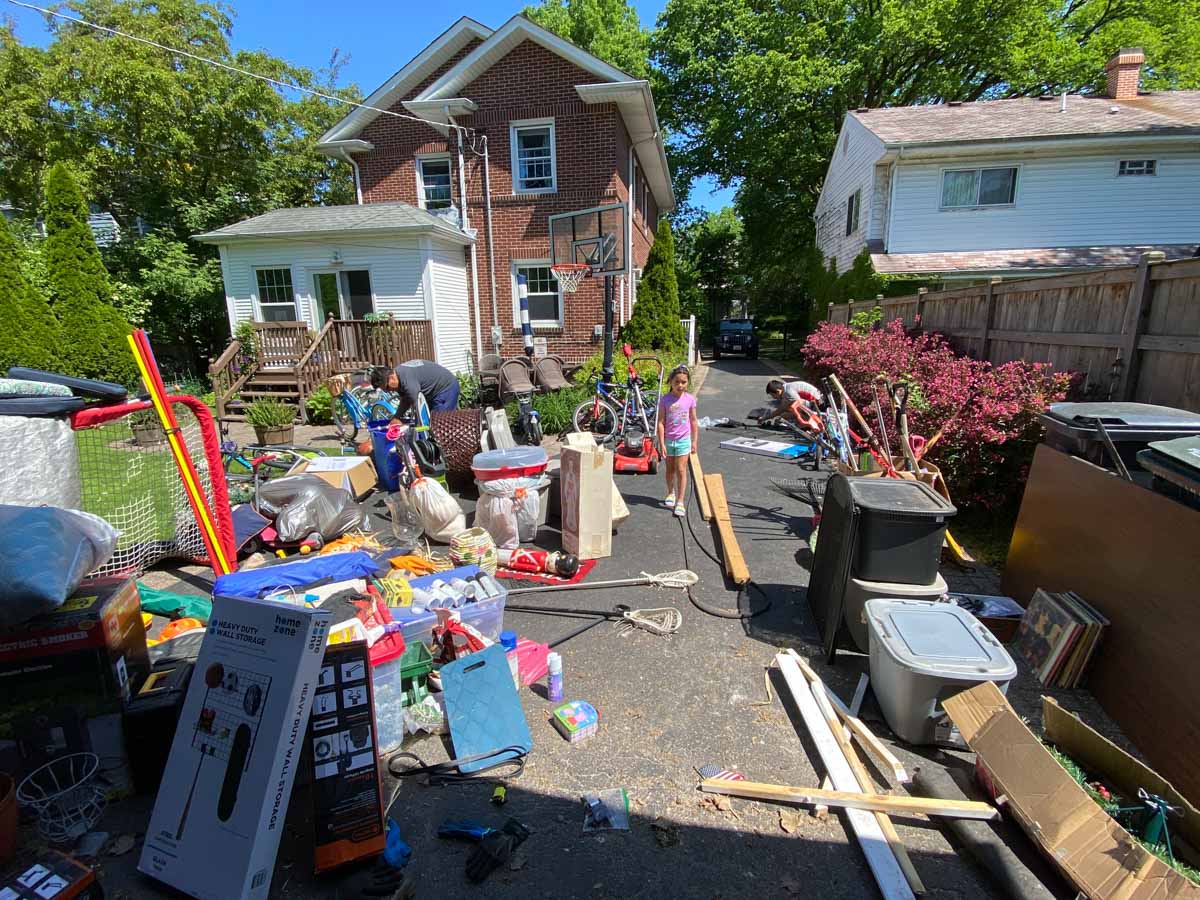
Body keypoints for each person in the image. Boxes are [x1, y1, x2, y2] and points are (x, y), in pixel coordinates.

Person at [656, 365, 699, 518]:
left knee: (681, 470)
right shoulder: (665, 400)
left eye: (684, 382)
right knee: (669, 470)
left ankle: (680, 501)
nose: (680, 385)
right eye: (677, 382)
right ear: (671, 382)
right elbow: (660, 422)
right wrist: (661, 443)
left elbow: (693, 421)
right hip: (669, 440)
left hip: (683, 441)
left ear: (687, 383)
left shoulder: (690, 400)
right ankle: (670, 493)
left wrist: (694, 441)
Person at [385, 359, 460, 415]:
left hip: (446, 388)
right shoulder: (399, 375)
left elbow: (419, 408)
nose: (388, 391)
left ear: (391, 377)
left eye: (387, 387)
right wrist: (397, 417)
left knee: (440, 423)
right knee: (432, 421)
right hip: (434, 390)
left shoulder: (407, 381)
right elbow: (406, 400)